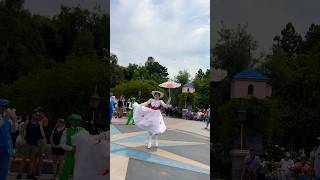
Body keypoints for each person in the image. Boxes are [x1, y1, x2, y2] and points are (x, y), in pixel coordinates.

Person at [17, 110, 46, 179]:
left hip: (35, 144)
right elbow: (22, 130)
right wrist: (23, 140)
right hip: (27, 143)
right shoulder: (28, 122)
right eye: (36, 114)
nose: (37, 116)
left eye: (38, 115)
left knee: (32, 160)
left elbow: (42, 133)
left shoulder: (39, 123)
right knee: (23, 159)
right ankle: (20, 174)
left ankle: (29, 174)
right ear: (32, 115)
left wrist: (44, 137)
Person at [59, 114, 84, 180]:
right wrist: (71, 148)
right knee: (65, 172)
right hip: (69, 155)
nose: (76, 122)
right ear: (70, 121)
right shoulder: (66, 131)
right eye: (75, 120)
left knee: (80, 173)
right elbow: (62, 144)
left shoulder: (82, 130)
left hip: (80, 156)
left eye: (78, 120)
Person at [0, 99, 16, 180]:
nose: (5, 108)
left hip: (7, 146)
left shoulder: (8, 119)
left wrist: (13, 120)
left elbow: (13, 131)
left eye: (6, 107)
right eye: (3, 106)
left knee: (5, 166)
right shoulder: (3, 118)